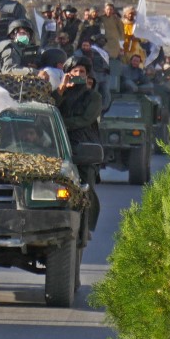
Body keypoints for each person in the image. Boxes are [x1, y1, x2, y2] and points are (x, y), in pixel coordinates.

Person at [54, 55, 101, 229]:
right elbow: (50, 108)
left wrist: (60, 125)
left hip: (83, 145)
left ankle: (86, 226)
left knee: (86, 185)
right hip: (59, 144)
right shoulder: (62, 93)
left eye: (82, 71)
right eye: (75, 71)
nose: (79, 74)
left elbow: (85, 119)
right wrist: (61, 88)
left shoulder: (93, 97)